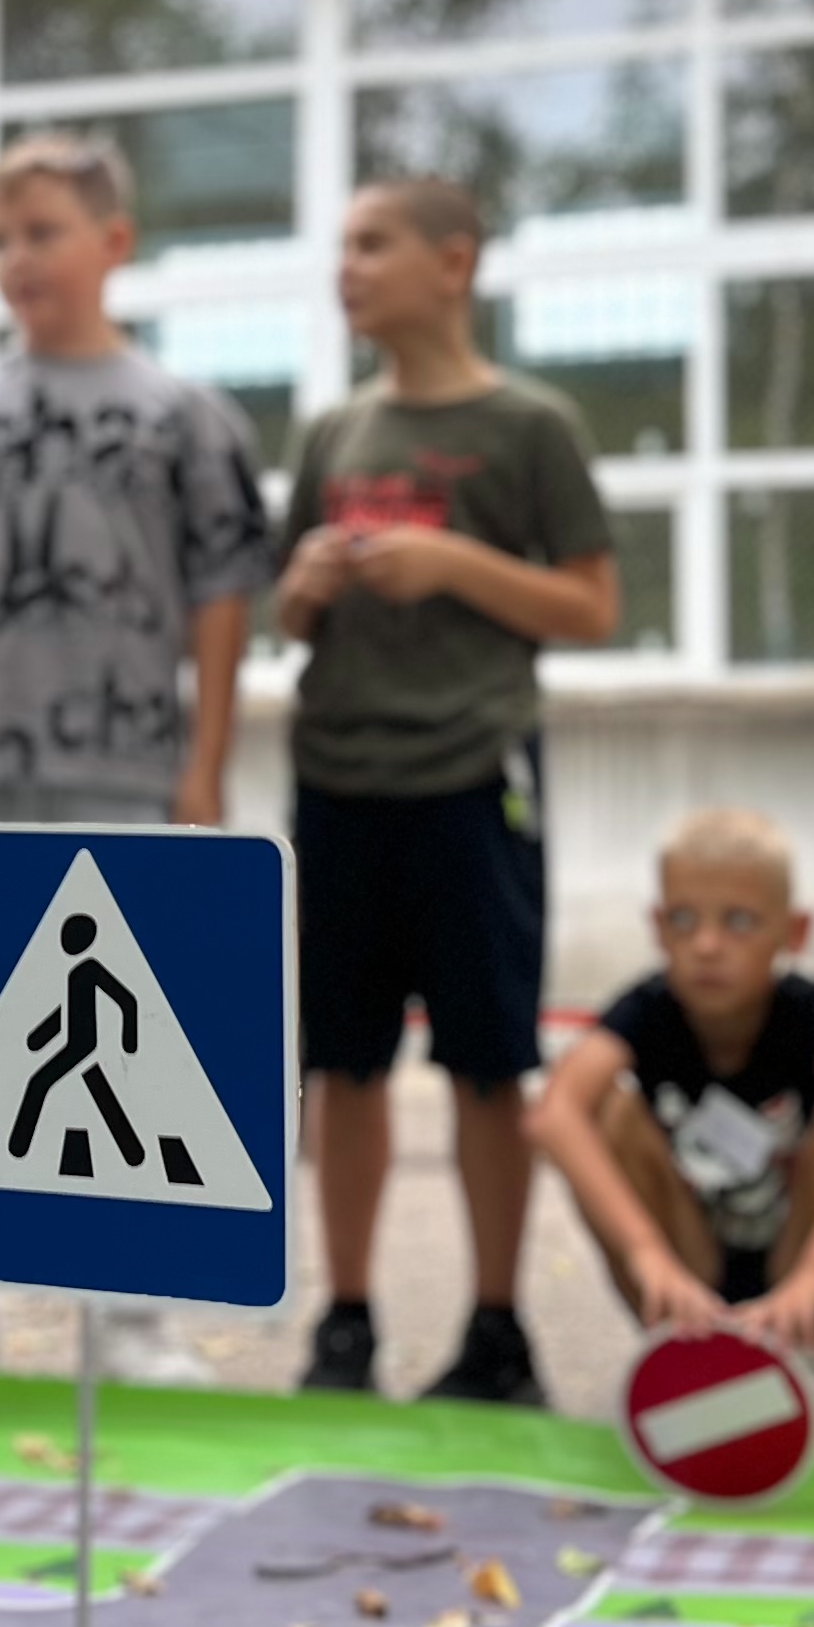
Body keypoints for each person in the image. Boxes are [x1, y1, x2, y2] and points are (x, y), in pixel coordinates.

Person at [0, 132, 274, 1407]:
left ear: (114, 243)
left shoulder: (188, 421)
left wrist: (206, 762)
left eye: (43, 232)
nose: (19, 259)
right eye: (1, 239)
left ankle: (133, 1316)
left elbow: (219, 597)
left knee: (139, 1041)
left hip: (130, 766)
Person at [280, 178, 617, 1406]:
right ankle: (345, 1321)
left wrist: (454, 563)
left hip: (476, 780)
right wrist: (305, 587)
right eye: (342, 246)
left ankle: (496, 1329)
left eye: (374, 244)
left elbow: (591, 605)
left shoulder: (532, 426)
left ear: (454, 264)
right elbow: (284, 613)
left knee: (486, 1061)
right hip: (337, 778)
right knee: (342, 1063)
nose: (349, 267)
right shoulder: (331, 433)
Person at [528, 810, 814, 1370]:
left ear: (793, 932)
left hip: (808, 1285)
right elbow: (555, 1114)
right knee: (610, 1113)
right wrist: (647, 1254)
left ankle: (811, 1360)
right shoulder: (648, 1010)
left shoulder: (805, 1012)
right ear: (658, 927)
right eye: (684, 919)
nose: (707, 945)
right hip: (692, 1277)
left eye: (739, 921)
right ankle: (685, 1347)